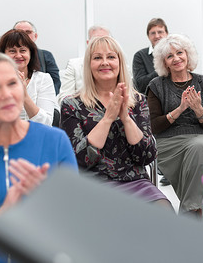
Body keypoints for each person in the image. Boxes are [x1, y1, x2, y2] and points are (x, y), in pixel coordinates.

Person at [0, 53, 78, 263]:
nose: (6, 94)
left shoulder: (55, 141)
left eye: (12, 83)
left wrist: (46, 205)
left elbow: (76, 224)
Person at [60, 36, 171, 208]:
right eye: (97, 58)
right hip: (92, 185)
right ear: (89, 65)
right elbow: (79, 160)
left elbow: (146, 155)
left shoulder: (138, 101)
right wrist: (108, 118)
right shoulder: (72, 105)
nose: (105, 62)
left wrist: (125, 118)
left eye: (111, 57)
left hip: (135, 182)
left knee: (163, 211)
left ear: (119, 62)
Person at [147, 34, 203, 215]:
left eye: (179, 53)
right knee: (197, 151)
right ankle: (194, 211)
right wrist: (180, 108)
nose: (176, 58)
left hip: (201, 138)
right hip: (168, 142)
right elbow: (154, 126)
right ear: (165, 63)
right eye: (170, 56)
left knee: (198, 148)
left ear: (188, 55)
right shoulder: (156, 85)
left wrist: (198, 109)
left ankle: (191, 211)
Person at [0, 29, 58, 126]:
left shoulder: (43, 79)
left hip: (35, 137)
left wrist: (24, 95)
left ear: (30, 53)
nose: (18, 55)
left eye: (23, 50)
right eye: (12, 51)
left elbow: (46, 123)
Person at [57, 25, 111, 104]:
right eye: (96, 40)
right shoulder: (74, 65)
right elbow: (64, 98)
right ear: (88, 43)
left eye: (105, 40)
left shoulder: (119, 64)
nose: (101, 43)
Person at [13, 20, 61, 94]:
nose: (23, 36)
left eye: (28, 32)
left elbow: (55, 83)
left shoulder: (45, 56)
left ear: (35, 36)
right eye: (19, 32)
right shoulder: (5, 57)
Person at [132, 18, 168, 94]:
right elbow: (139, 85)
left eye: (160, 32)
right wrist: (161, 69)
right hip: (150, 101)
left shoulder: (174, 55)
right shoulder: (140, 56)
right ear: (148, 36)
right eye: (153, 33)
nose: (157, 36)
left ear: (166, 34)